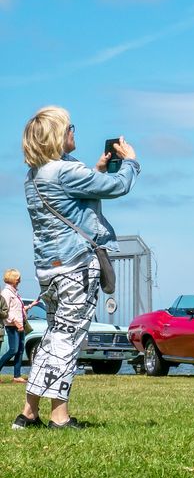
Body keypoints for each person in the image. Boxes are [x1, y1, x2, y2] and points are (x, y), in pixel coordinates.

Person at [13, 106, 140, 429]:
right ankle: (59, 415)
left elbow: (79, 192)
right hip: (77, 267)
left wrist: (96, 168)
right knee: (68, 340)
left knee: (54, 336)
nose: (74, 132)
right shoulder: (64, 172)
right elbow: (115, 187)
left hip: (49, 269)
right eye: (70, 128)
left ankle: (29, 413)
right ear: (57, 135)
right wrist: (130, 163)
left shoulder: (35, 176)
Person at [1, 269, 29, 383]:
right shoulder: (6, 293)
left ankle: (17, 376)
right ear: (12, 278)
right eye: (17, 277)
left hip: (20, 325)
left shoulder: (14, 292)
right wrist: (16, 322)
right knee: (13, 350)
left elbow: (15, 309)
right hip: (12, 325)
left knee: (20, 350)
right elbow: (5, 311)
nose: (19, 280)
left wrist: (26, 308)